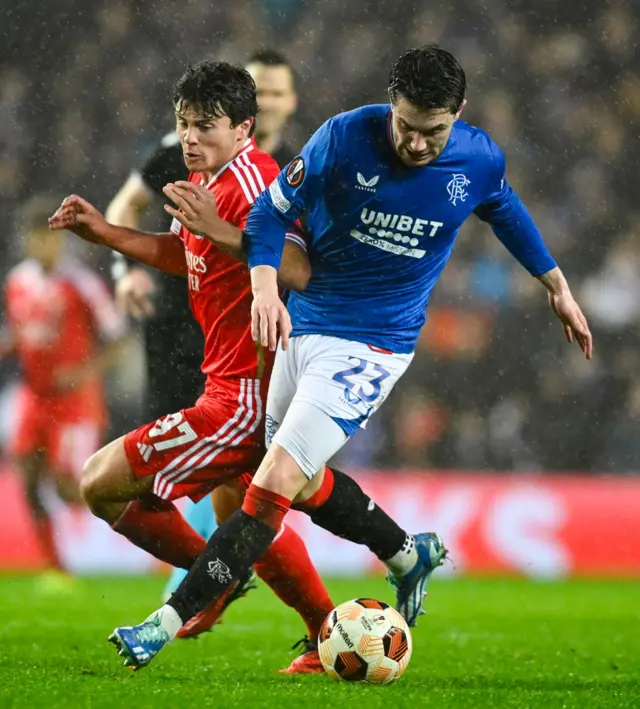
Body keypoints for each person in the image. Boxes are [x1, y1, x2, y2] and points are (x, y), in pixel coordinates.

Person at [110, 44, 593, 670]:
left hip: (373, 343)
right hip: (304, 328)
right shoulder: (343, 137)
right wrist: (262, 287)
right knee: (301, 481)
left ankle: (164, 620)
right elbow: (270, 215)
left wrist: (554, 282)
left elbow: (504, 207)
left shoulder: (476, 158)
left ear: (459, 114)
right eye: (408, 127)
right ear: (391, 105)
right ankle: (405, 552)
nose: (418, 145)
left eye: (434, 132)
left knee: (271, 485)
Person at [49, 60, 336, 674]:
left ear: (243, 128)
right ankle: (324, 632)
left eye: (205, 125)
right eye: (183, 124)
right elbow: (190, 257)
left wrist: (229, 236)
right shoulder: (213, 179)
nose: (189, 138)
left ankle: (214, 578)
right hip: (229, 379)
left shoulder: (261, 184)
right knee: (245, 513)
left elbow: (301, 269)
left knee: (99, 483)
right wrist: (108, 235)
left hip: (247, 394)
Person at [106, 49, 298, 599]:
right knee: (233, 489)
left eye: (276, 91)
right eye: (259, 87)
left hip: (248, 350)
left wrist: (258, 277)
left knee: (254, 490)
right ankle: (211, 577)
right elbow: (129, 206)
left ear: (253, 120)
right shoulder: (181, 152)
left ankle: (209, 580)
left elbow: (298, 264)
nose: (267, 98)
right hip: (175, 327)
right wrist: (123, 267)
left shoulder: (285, 171)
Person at [1, 196, 127, 582]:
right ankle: (56, 570)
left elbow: (119, 338)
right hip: (33, 396)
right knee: (26, 480)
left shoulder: (82, 283)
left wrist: (85, 371)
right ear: (26, 241)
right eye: (36, 238)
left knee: (71, 487)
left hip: (75, 402)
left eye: (50, 238)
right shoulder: (17, 281)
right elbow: (22, 333)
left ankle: (153, 527)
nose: (43, 245)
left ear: (62, 241)